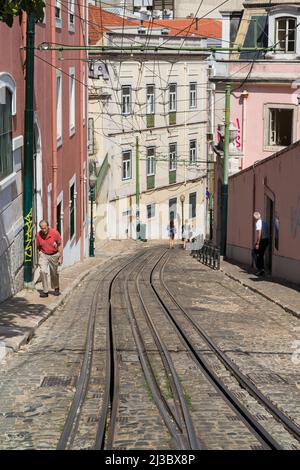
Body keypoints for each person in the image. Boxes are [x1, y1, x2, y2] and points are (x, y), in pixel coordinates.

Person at [36, 220, 63, 297]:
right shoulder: (38, 235)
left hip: (54, 254)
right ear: (40, 228)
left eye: (45, 228)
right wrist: (39, 256)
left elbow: (59, 245)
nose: (44, 230)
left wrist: (60, 257)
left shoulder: (55, 233)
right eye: (42, 228)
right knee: (43, 271)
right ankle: (45, 291)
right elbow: (38, 247)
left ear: (48, 226)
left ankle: (56, 287)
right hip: (44, 254)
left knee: (54, 273)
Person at [252, 211, 269, 276]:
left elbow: (259, 233)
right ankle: (262, 269)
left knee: (256, 254)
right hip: (266, 240)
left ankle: (260, 270)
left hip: (262, 240)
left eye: (254, 218)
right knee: (260, 255)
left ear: (255, 217)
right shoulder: (264, 222)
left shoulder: (258, 223)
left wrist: (258, 243)